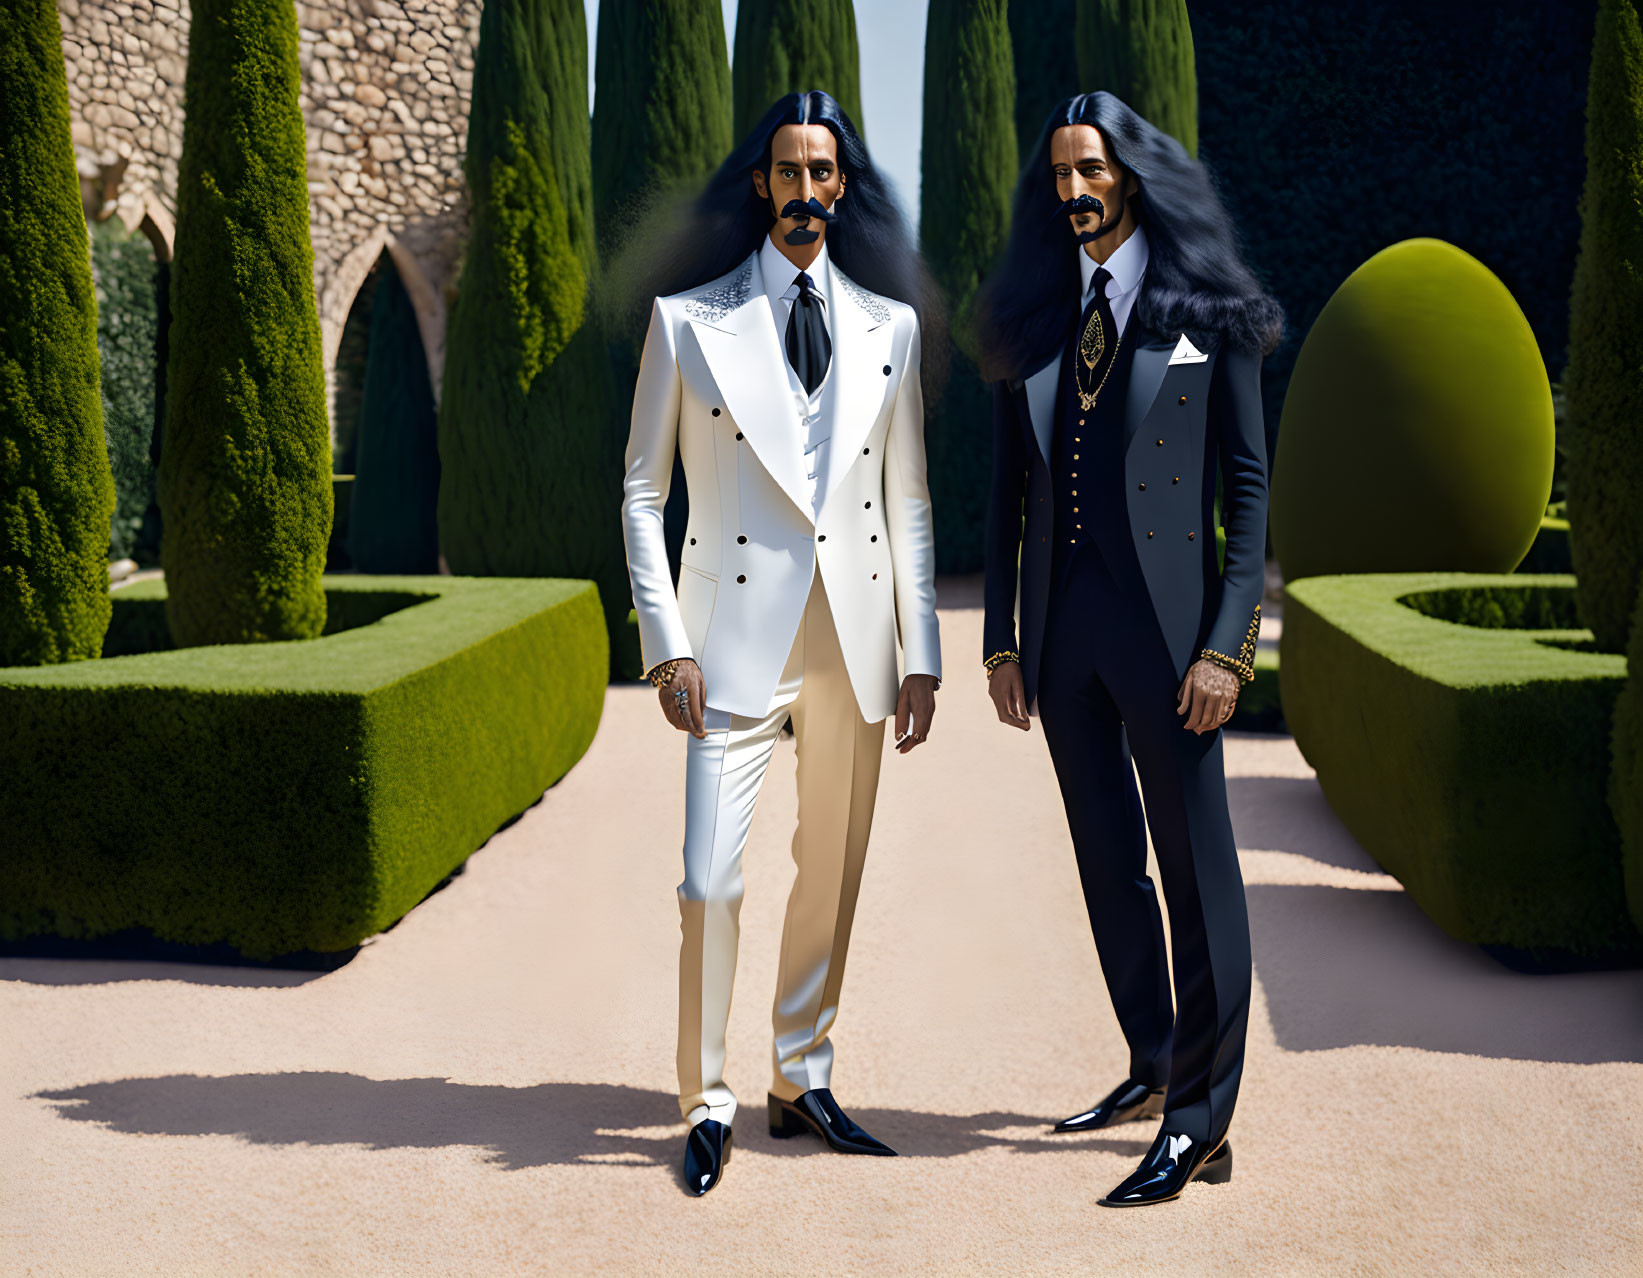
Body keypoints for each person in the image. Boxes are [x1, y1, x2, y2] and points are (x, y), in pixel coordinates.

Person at [621, 89, 941, 1197]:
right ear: (759, 183)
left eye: (822, 173)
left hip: (851, 641)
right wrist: (666, 641)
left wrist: (922, 653)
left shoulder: (886, 328)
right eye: (786, 172)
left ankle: (798, 1077)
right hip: (725, 644)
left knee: (830, 873)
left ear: (840, 187)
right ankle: (703, 1099)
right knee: (707, 881)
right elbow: (636, 495)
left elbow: (905, 504)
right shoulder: (685, 322)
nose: (804, 191)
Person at [973, 90, 1283, 1208]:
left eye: (1087, 170)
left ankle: (1202, 1121)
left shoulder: (1208, 306)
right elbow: (1007, 491)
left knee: (1197, 873)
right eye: (1055, 174)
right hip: (1063, 639)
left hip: (1169, 640)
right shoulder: (1037, 312)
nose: (1070, 190)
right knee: (1108, 869)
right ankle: (1155, 1066)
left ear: (1131, 174)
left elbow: (1246, 494)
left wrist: (1225, 647)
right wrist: (1000, 639)